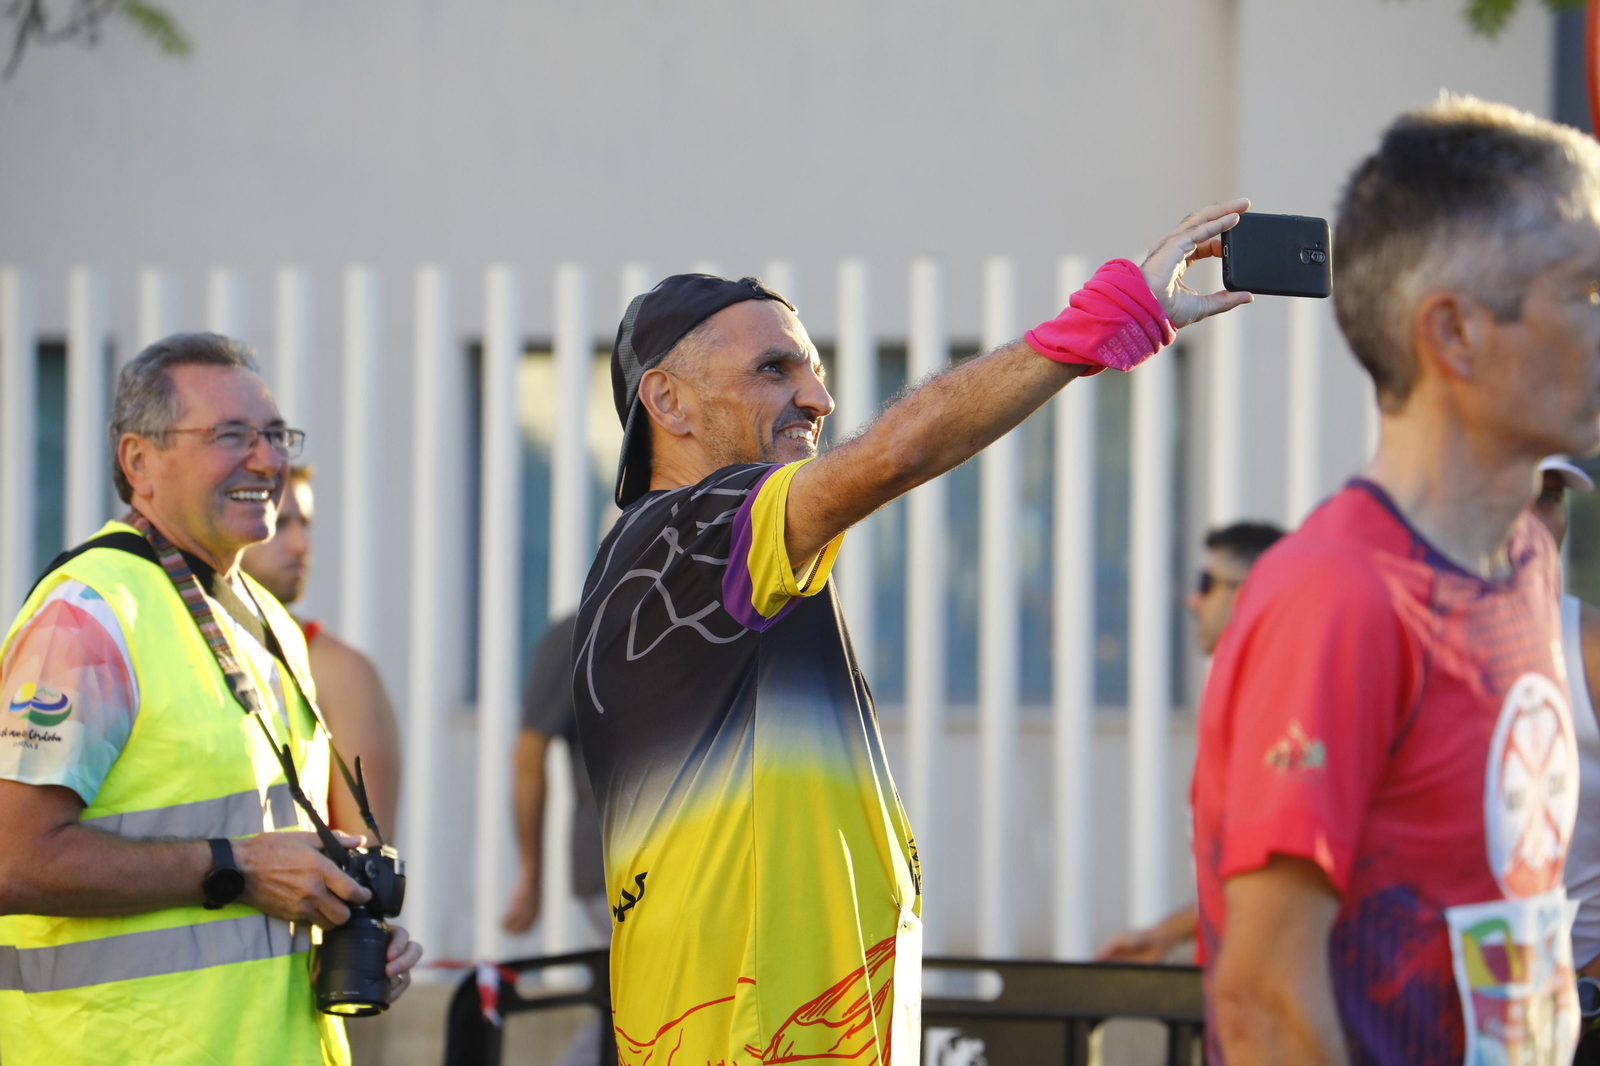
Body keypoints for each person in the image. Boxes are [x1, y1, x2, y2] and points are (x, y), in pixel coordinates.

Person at [573, 200, 1253, 1064]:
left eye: (814, 370)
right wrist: (1112, 318)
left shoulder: (730, 564)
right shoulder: (689, 532)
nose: (816, 398)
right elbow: (896, 453)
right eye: (774, 369)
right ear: (665, 402)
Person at [1193, 95, 1600, 1065]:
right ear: (1453, 334)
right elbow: (1265, 1005)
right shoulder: (1340, 596)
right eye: (1585, 294)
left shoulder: (1527, 563)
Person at [0, 333, 422, 1066]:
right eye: (230, 435)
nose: (266, 460)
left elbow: (250, 868)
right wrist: (241, 868)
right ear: (139, 461)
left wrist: (331, 916)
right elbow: (11, 859)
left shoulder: (266, 619)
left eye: (273, 435)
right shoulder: (91, 613)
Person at [1096, 520, 1283, 963]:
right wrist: (1165, 935)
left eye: (1208, 583)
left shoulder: (1283, 714)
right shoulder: (1238, 705)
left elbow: (1282, 885)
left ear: (1253, 591)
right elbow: (1244, 885)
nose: (1192, 600)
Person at [241, 463, 402, 835]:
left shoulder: (340, 673)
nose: (302, 544)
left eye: (306, 524)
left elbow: (368, 860)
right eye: (279, 524)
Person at [503, 612, 610, 1066]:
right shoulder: (578, 633)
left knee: (644, 1005)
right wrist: (532, 874)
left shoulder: (730, 617)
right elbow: (529, 756)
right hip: (616, 866)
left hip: (706, 863)